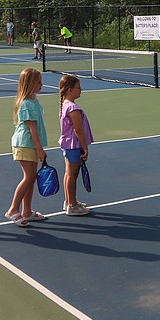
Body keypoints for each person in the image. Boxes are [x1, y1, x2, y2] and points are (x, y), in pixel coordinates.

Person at [6, 68, 49, 227]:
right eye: (38, 82)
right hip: (24, 144)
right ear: (30, 84)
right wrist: (40, 149)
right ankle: (12, 209)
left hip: (31, 145)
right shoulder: (26, 104)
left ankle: (27, 211)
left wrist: (38, 148)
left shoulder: (34, 101)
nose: (41, 85)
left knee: (31, 178)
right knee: (28, 177)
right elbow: (32, 129)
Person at [59, 74, 94, 216]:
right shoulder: (73, 108)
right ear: (70, 90)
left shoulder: (65, 105)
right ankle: (72, 206)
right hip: (74, 146)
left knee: (68, 173)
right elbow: (78, 130)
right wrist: (85, 147)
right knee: (72, 175)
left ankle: (69, 201)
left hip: (68, 145)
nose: (81, 90)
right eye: (78, 87)